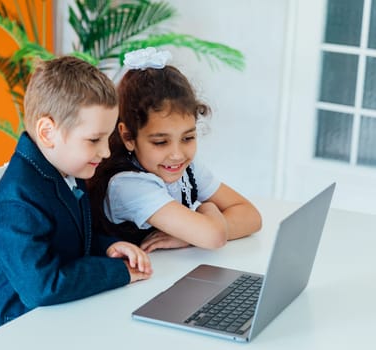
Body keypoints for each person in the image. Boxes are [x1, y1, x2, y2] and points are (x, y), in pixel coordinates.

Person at [0, 56, 152, 340]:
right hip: (13, 329)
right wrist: (117, 272)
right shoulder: (17, 199)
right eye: (94, 140)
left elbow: (73, 238)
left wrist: (110, 247)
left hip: (56, 315)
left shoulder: (67, 165)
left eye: (107, 138)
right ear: (47, 133)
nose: (105, 152)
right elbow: (41, 285)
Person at [88, 47, 262, 253]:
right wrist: (207, 209)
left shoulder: (187, 171)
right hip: (140, 283)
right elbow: (213, 236)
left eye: (187, 138)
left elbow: (251, 216)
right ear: (128, 137)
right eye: (161, 142)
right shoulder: (127, 185)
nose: (177, 154)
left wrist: (186, 236)